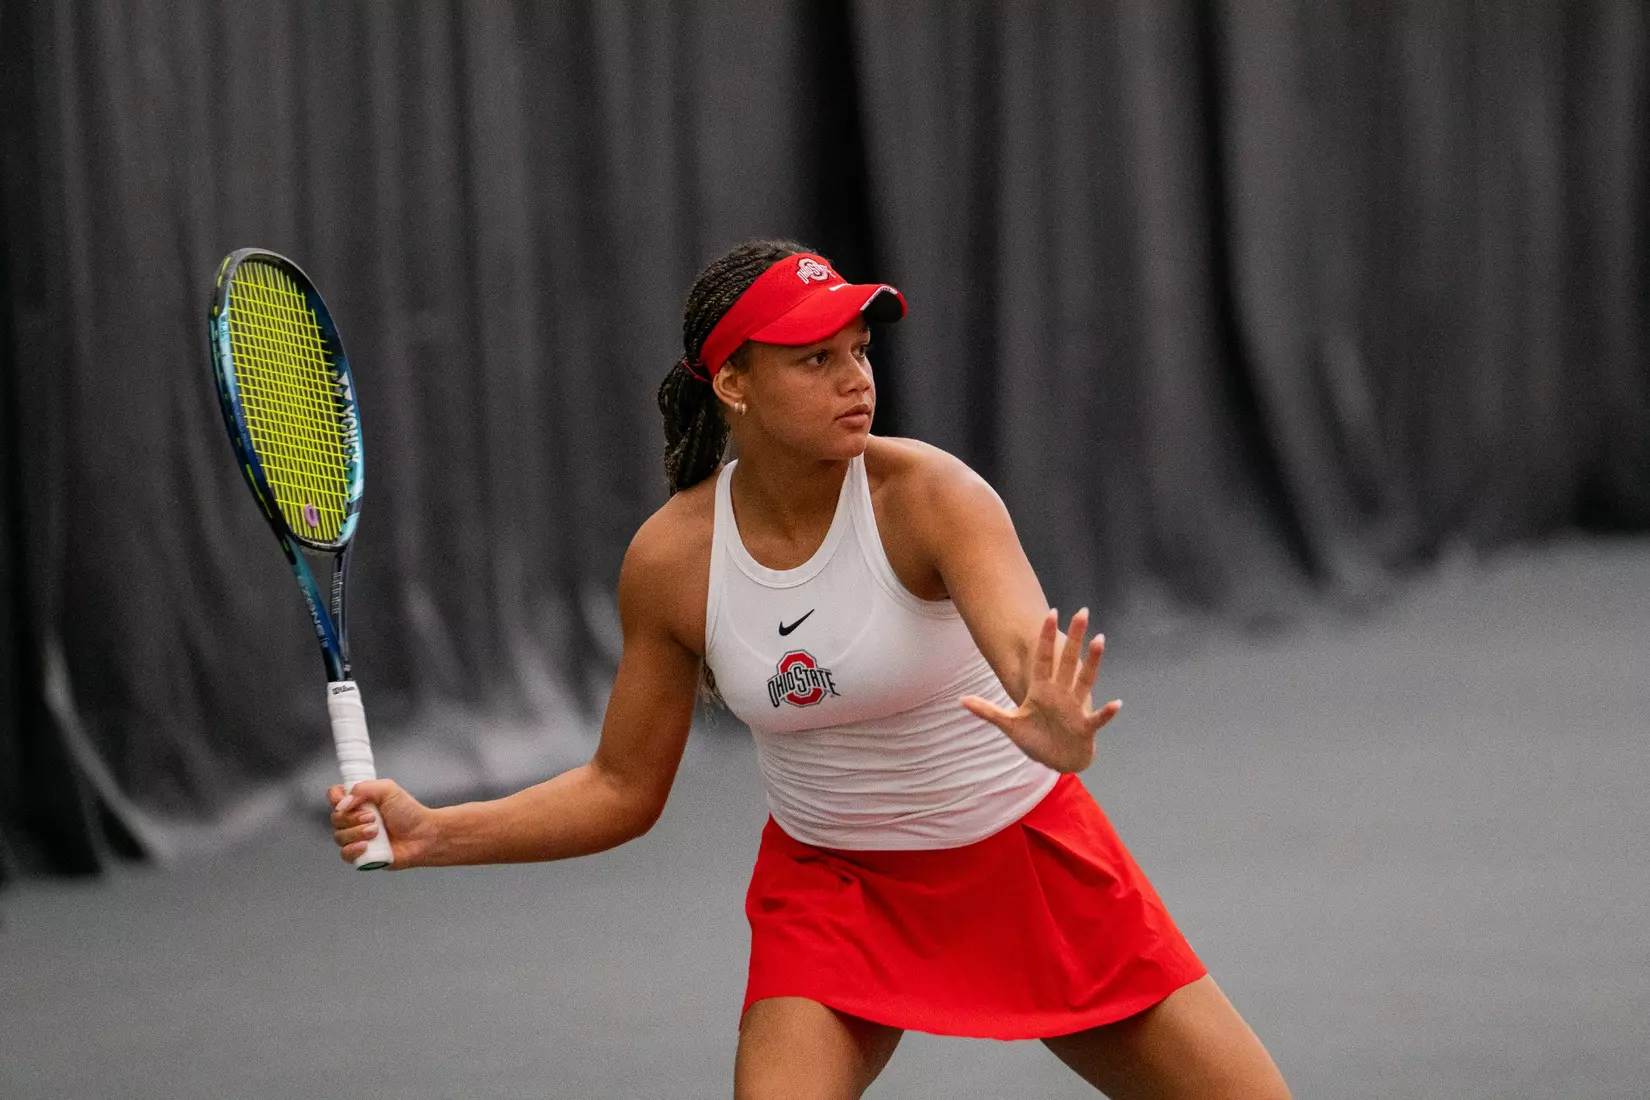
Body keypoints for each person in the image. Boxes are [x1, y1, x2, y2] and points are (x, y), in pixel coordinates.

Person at [329, 240, 1291, 1099]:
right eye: (816, 358)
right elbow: (622, 787)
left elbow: (1019, 652)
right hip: (836, 893)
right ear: (734, 383)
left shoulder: (932, 497)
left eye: (860, 351)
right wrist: (430, 836)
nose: (856, 379)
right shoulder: (671, 561)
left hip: (1027, 861)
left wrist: (1048, 724)